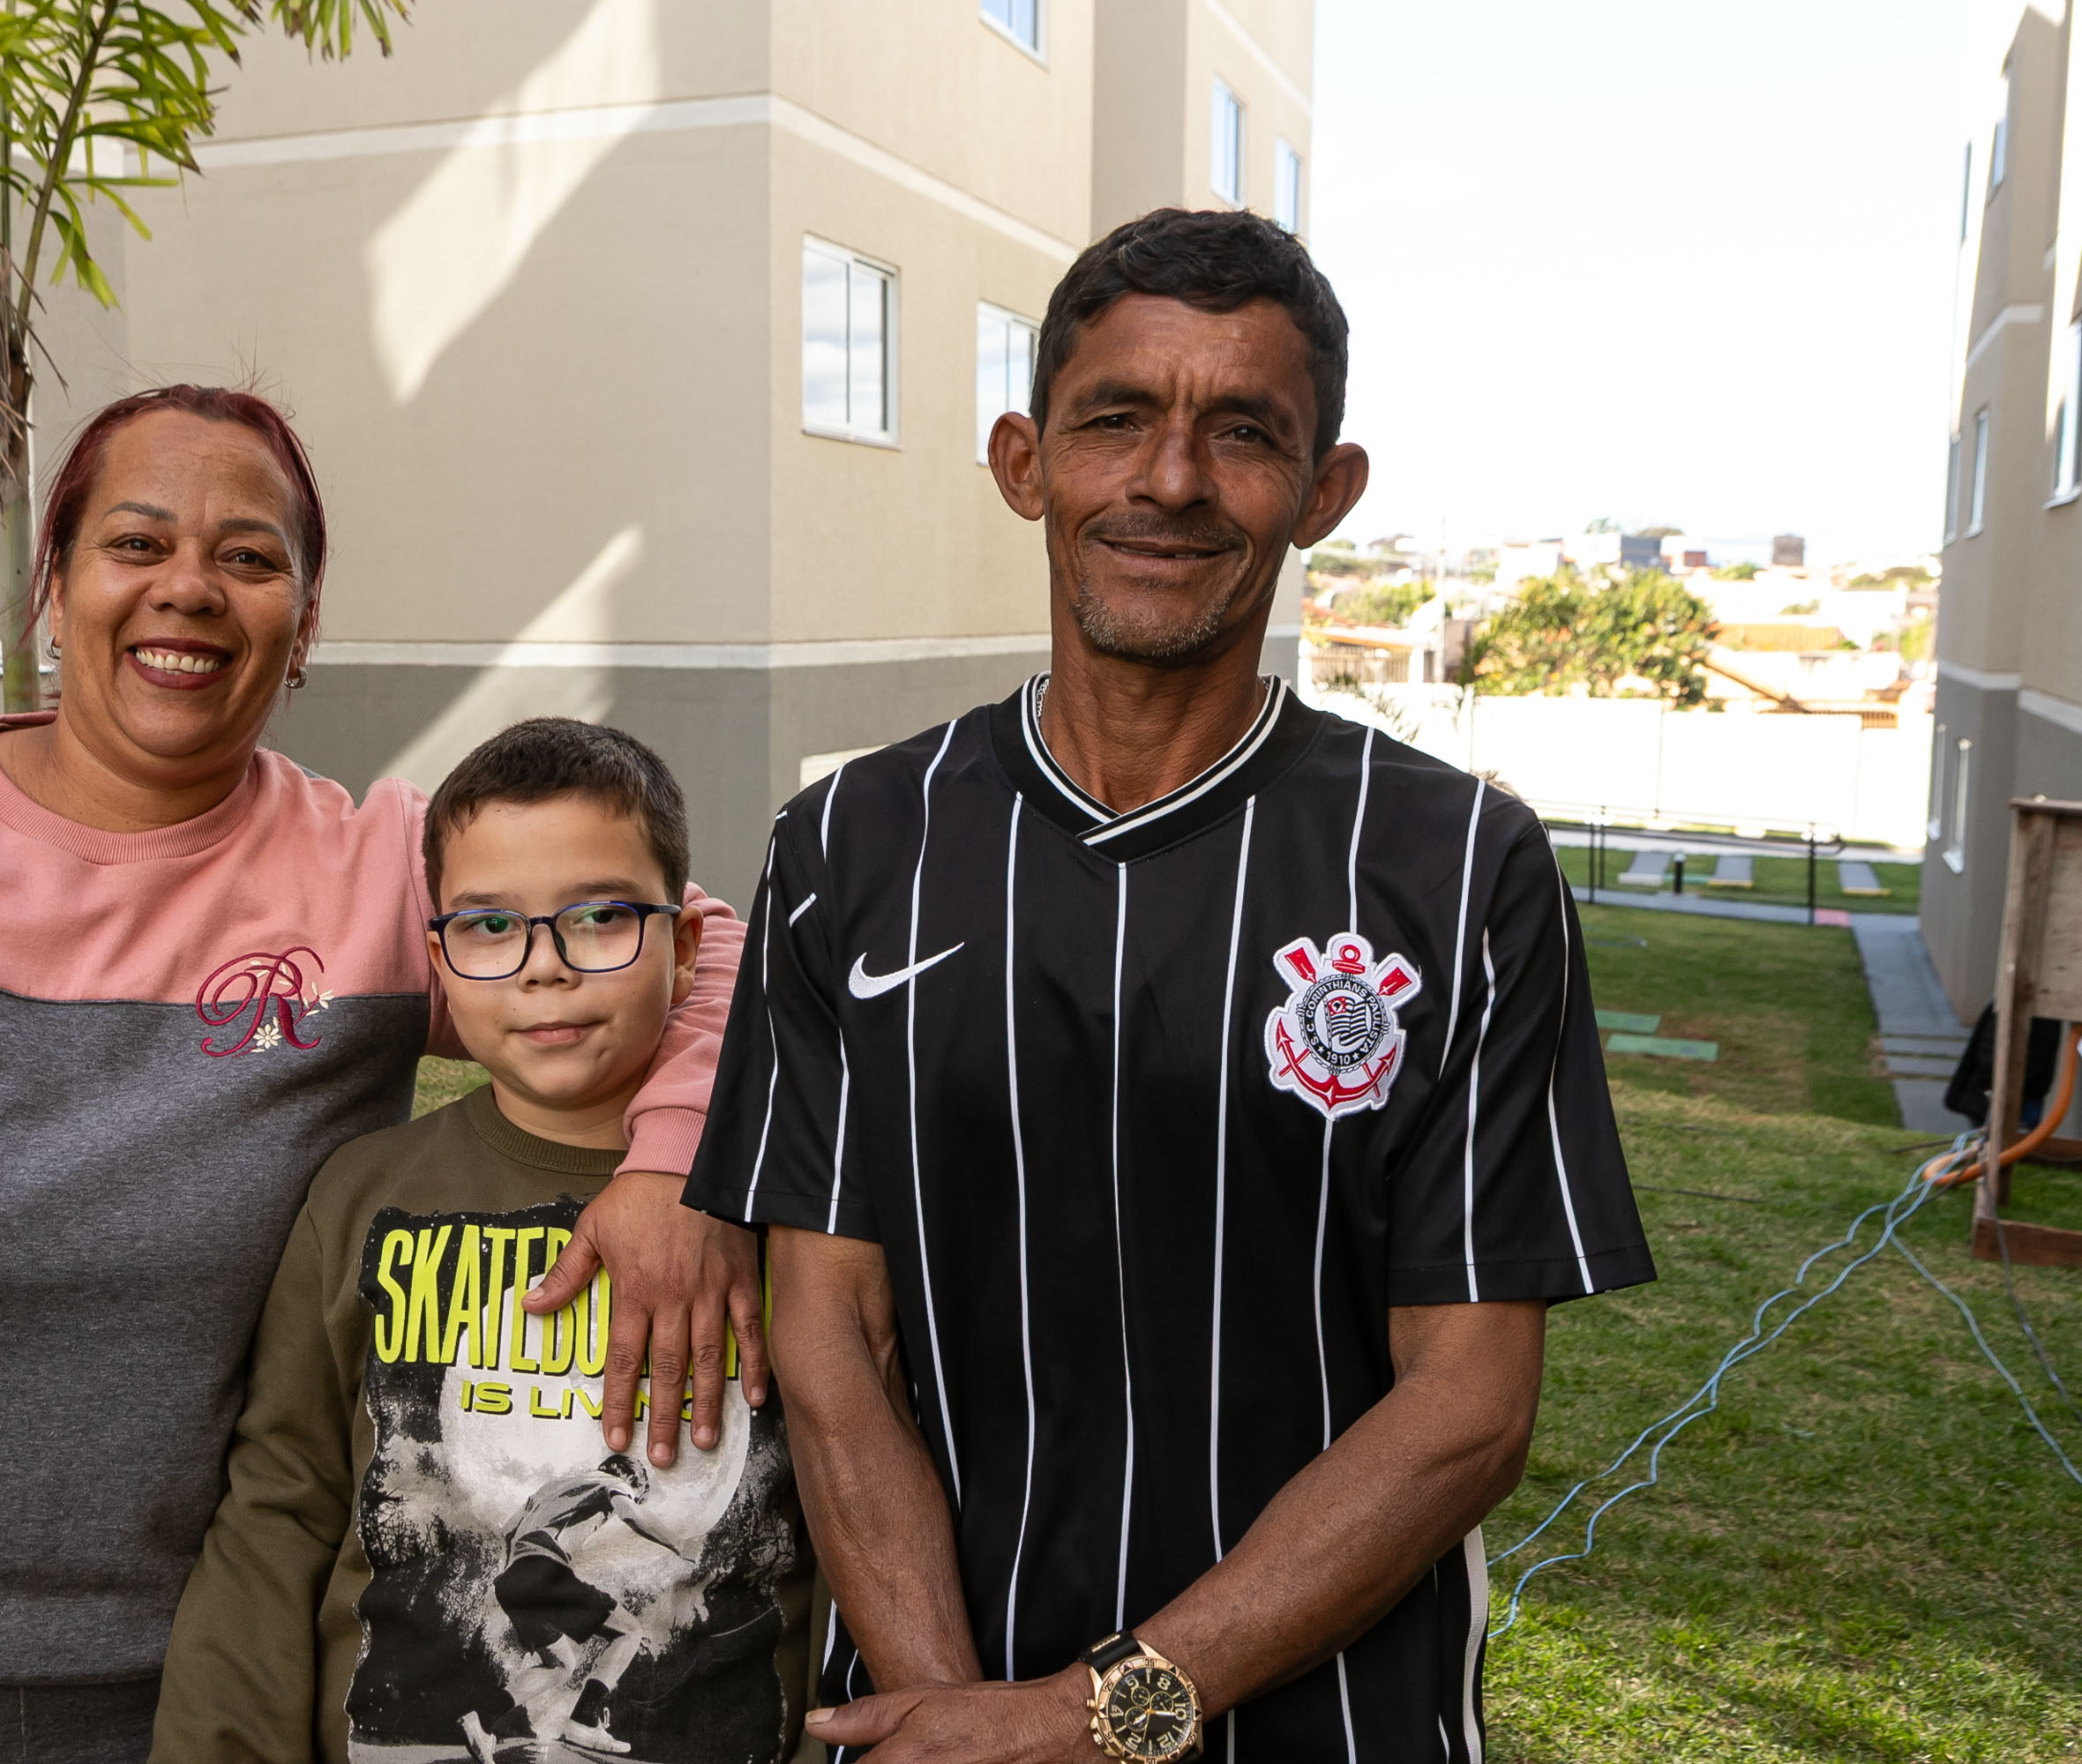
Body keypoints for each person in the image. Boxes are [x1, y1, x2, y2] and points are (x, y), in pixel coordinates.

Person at [0, 390, 763, 1763]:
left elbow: (709, 955)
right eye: (137, 542)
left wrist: (668, 1166)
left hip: (190, 1685)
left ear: (303, 624)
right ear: (54, 586)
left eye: (249, 557)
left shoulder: (374, 877)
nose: (190, 590)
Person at [682, 209, 1655, 1761]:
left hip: (1338, 1727)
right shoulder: (853, 841)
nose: (1172, 480)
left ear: (1326, 493)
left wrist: (1100, 1718)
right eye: (1116, 420)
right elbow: (829, 1338)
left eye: (1245, 434)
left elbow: (1467, 1406)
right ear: (1024, 462)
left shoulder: (1461, 867)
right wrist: (961, 1726)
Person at [150, 719, 810, 1764]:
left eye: (600, 917)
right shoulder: (364, 1196)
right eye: (491, 926)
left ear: (686, 946)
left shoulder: (786, 1207)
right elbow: (278, 1513)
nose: (544, 967)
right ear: (439, 961)